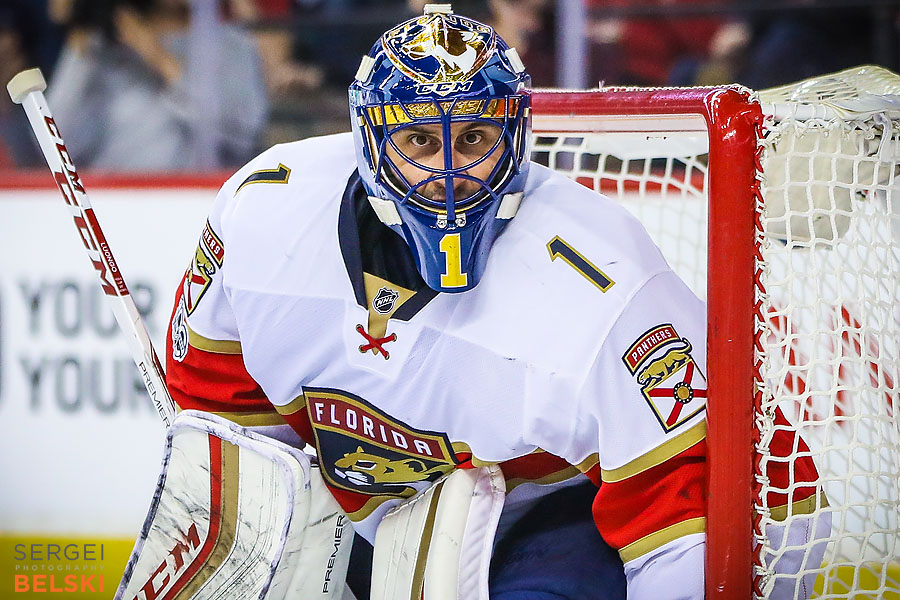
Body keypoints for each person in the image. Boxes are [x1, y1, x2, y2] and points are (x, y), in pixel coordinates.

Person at [163, 5, 825, 598]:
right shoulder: (265, 211)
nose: (449, 173)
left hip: (556, 525)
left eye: (474, 139)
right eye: (420, 140)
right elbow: (228, 436)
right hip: (373, 531)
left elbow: (705, 525)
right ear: (368, 141)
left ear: (516, 138)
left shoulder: (604, 283)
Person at [46, 0, 267, 170]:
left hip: (199, 206)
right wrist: (80, 45)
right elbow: (54, 143)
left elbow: (244, 132)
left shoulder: (233, 45)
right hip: (114, 205)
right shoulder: (102, 49)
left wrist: (161, 61)